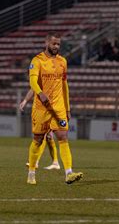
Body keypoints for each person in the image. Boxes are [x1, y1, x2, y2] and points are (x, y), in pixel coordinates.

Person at [27, 31, 83, 185]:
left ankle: (69, 173)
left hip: (58, 107)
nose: (56, 46)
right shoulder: (37, 60)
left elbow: (64, 85)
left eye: (58, 44)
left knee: (63, 138)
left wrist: (67, 108)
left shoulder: (62, 61)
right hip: (41, 107)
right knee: (38, 140)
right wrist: (40, 93)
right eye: (54, 44)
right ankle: (31, 172)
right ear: (47, 43)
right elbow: (32, 81)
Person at [20, 89, 60, 170]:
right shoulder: (40, 79)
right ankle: (55, 163)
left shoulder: (51, 80)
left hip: (50, 109)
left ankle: (36, 162)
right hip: (41, 111)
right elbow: (33, 89)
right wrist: (25, 101)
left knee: (44, 135)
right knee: (48, 136)